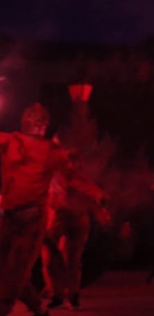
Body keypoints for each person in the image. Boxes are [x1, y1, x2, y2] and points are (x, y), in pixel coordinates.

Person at [0, 103, 73, 316]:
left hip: (31, 221)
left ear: (43, 126)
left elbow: (70, 178)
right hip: (9, 218)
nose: (35, 126)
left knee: (14, 274)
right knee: (9, 272)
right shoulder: (10, 141)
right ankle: (38, 308)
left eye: (38, 122)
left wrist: (66, 191)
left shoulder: (52, 151)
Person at [42, 167, 110, 310]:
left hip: (77, 221)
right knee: (51, 257)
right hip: (57, 219)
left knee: (72, 258)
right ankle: (57, 293)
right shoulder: (52, 177)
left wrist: (103, 217)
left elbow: (95, 197)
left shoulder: (80, 180)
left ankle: (71, 294)